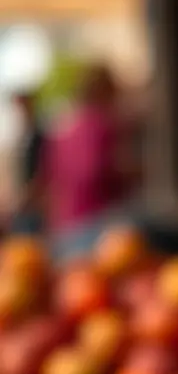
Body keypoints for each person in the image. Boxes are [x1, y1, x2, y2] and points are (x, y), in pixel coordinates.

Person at [42, 65, 129, 260]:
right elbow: (96, 170)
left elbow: (51, 177)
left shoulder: (63, 123)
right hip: (98, 223)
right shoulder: (102, 124)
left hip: (64, 223)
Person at [9, 91, 45, 234]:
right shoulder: (21, 136)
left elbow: (43, 168)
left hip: (34, 200)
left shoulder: (38, 135)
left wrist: (30, 194)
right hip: (23, 199)